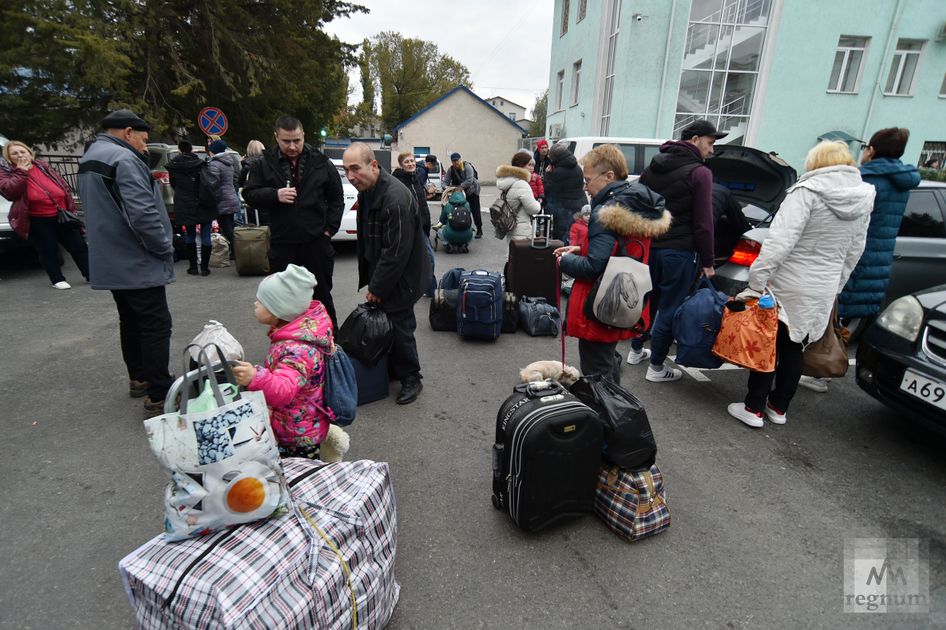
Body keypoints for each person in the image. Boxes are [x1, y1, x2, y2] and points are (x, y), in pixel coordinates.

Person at [726, 141, 874, 428]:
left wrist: (756, 282)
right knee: (795, 345)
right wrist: (836, 286)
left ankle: (753, 408)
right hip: (824, 285)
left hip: (790, 280)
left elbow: (779, 243)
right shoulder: (863, 199)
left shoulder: (806, 193)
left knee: (770, 343)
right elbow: (855, 250)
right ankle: (778, 407)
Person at [802, 128, 921, 393]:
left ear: (874, 150)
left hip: (854, 256)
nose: (864, 152)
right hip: (878, 260)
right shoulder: (902, 182)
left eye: (867, 147)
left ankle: (819, 369)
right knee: (844, 320)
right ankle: (823, 370)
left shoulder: (866, 181)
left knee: (830, 314)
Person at [77, 109, 175, 417]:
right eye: (143, 140)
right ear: (128, 132)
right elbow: (142, 214)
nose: (145, 148)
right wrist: (164, 246)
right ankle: (160, 393)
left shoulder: (90, 159)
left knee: (130, 321)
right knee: (155, 324)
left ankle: (139, 377)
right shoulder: (124, 160)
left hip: (110, 259)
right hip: (136, 260)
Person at [554, 144, 671, 384]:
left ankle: (608, 418)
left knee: (598, 375)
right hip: (623, 299)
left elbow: (593, 267)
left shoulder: (607, 212)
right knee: (607, 362)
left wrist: (564, 261)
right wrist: (582, 248)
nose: (585, 187)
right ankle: (614, 413)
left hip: (599, 304)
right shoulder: (634, 203)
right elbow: (619, 248)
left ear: (609, 176)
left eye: (588, 180)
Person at [626, 119, 720, 382]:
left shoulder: (654, 165)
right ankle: (656, 367)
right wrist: (709, 262)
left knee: (647, 299)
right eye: (710, 143)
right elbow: (704, 223)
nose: (711, 150)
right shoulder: (700, 173)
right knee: (670, 306)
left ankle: (635, 350)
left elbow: (638, 203)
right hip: (679, 251)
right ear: (695, 140)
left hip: (649, 246)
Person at [342, 142, 431, 405]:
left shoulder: (395, 198)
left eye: (355, 169)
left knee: (401, 326)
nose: (350, 176)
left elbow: (396, 252)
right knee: (390, 323)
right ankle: (395, 369)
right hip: (386, 274)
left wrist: (377, 288)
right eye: (346, 170)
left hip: (403, 278)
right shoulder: (368, 191)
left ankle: (412, 378)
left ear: (373, 165)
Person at [242, 116, 345, 328]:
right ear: (276, 138)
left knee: (321, 297)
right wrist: (274, 194)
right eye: (286, 141)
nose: (292, 146)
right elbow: (249, 194)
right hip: (283, 244)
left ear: (303, 135)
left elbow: (336, 197)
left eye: (296, 140)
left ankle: (329, 343)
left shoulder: (319, 161)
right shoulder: (264, 163)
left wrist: (329, 230)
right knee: (282, 302)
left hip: (316, 242)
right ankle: (287, 349)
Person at [231, 264, 334, 459]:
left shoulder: (298, 350)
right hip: (296, 423)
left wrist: (255, 377)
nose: (255, 304)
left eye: (261, 302)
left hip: (298, 434)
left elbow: (284, 390)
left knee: (299, 477)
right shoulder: (292, 338)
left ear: (279, 310)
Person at [0, 140, 89, 289]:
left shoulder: (42, 166)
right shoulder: (7, 172)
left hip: (61, 213)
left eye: (23, 151)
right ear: (9, 157)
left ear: (29, 152)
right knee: (48, 249)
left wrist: (69, 205)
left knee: (78, 245)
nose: (20, 155)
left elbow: (61, 184)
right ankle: (57, 279)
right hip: (37, 217)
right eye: (15, 153)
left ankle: (90, 273)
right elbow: (10, 191)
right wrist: (21, 171)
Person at [168, 140, 216, 276]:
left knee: (190, 235)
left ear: (179, 150)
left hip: (185, 203)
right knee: (206, 234)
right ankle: (205, 267)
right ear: (192, 150)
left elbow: (173, 184)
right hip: (202, 202)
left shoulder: (174, 166)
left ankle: (193, 267)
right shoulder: (200, 164)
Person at [392, 151, 436, 295]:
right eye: (407, 162)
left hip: (422, 225)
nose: (410, 164)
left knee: (421, 259)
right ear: (401, 165)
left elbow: (421, 202)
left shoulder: (416, 177)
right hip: (409, 227)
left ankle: (422, 288)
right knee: (428, 258)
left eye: (412, 161)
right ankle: (429, 289)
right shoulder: (398, 181)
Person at [543, 142, 585, 243]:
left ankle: (563, 256)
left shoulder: (559, 172)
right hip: (579, 205)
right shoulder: (577, 168)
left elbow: (548, 189)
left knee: (563, 236)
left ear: (555, 157)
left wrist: (547, 174)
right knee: (575, 234)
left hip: (565, 209)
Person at [497, 152, 542, 240]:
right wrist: (538, 203)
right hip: (522, 229)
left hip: (511, 225)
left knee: (512, 251)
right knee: (522, 252)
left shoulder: (508, 181)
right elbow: (534, 209)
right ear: (521, 165)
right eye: (529, 165)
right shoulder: (522, 184)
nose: (532, 168)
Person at [442, 152, 483, 238]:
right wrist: (445, 187)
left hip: (472, 191)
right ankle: (465, 227)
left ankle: (479, 229)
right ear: (452, 162)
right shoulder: (451, 169)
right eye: (454, 161)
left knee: (475, 210)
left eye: (457, 160)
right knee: (462, 210)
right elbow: (445, 181)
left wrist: (460, 187)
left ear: (460, 159)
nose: (456, 162)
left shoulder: (467, 167)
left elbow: (469, 180)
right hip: (460, 193)